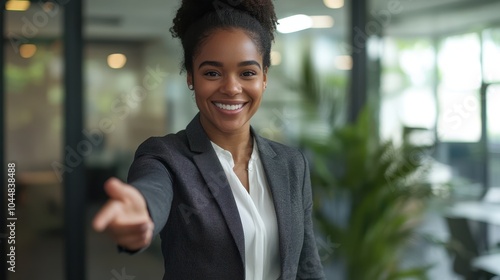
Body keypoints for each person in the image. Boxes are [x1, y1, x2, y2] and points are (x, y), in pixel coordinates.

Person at [92, 0, 325, 279]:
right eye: (212, 73)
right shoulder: (166, 156)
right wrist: (142, 213)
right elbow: (153, 190)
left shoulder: (291, 164)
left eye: (247, 73)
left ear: (264, 78)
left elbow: (307, 267)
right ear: (191, 77)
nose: (231, 88)